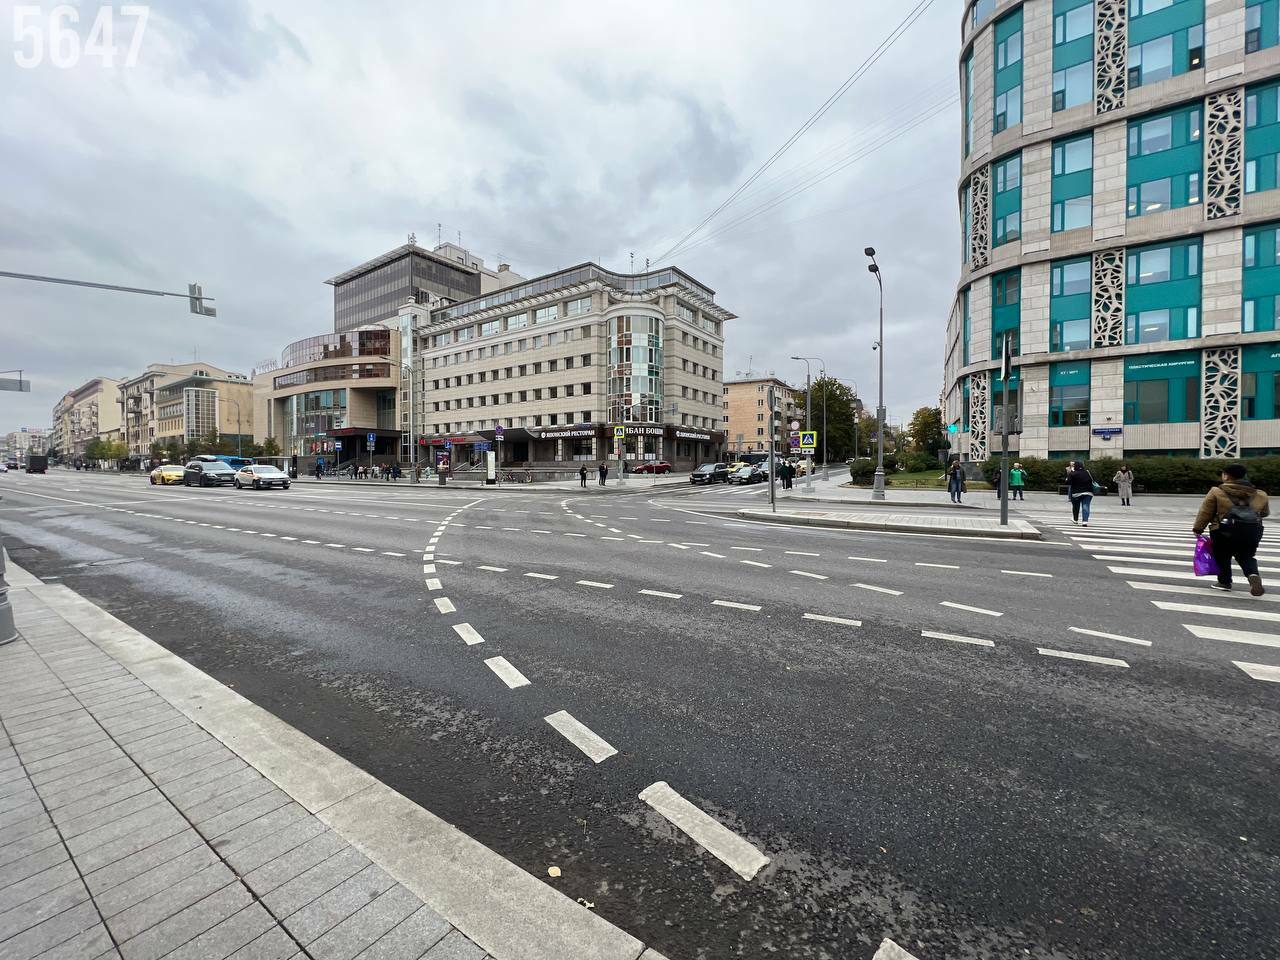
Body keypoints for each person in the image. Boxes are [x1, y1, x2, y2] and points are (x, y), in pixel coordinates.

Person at [1193, 462, 1270, 595]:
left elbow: (1206, 512)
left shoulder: (1216, 491)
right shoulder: (1261, 494)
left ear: (1226, 476)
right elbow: (1264, 513)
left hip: (1223, 532)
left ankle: (1224, 582)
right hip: (1251, 532)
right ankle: (1252, 574)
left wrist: (1198, 529)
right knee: (1247, 556)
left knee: (1222, 556)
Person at [1065, 460, 1095, 526]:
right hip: (1088, 492)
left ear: (1075, 466)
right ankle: (1085, 521)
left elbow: (1068, 482)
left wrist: (1069, 473)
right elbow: (1092, 480)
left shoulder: (1073, 474)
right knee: (1086, 505)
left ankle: (1075, 519)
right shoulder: (1087, 472)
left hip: (1076, 493)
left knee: (1076, 506)